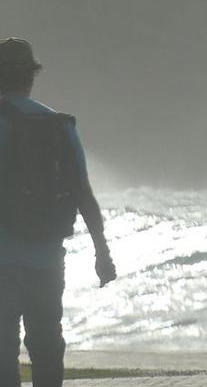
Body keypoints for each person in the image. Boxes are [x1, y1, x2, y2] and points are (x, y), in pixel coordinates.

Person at [0, 39, 116, 387]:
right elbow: (84, 195)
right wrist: (102, 252)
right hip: (49, 260)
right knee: (47, 346)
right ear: (31, 78)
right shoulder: (60, 125)